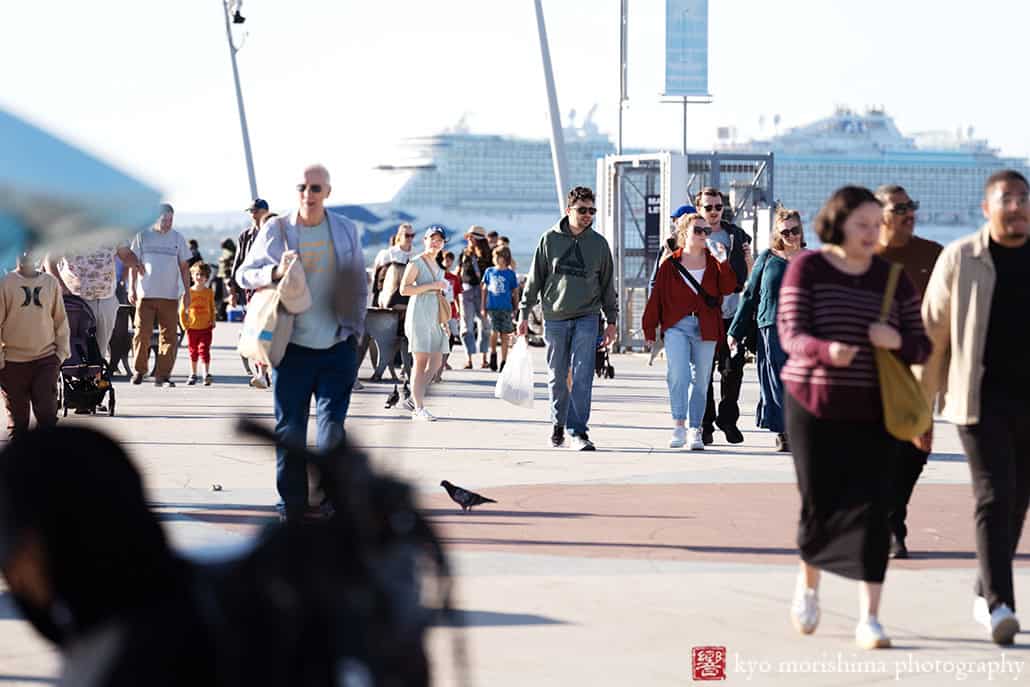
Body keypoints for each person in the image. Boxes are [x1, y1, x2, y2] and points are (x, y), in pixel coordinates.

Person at [778, 186, 930, 650]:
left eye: (876, 224)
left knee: (874, 508)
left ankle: (870, 617)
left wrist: (895, 341)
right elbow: (791, 332)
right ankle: (808, 585)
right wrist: (827, 352)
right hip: (813, 404)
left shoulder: (890, 278)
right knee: (818, 501)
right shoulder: (809, 267)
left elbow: (921, 344)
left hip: (873, 409)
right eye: (862, 224)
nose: (872, 233)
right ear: (838, 223)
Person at [919, 169, 1030, 645]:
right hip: (977, 399)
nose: (1017, 206)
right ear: (987, 208)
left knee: (1018, 501)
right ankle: (999, 604)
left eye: (1024, 198)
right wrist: (919, 409)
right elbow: (931, 335)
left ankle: (985, 585)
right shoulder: (962, 258)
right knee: (992, 495)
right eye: (1007, 198)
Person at [237, 164, 367, 522]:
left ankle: (330, 499)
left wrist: (355, 331)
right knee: (289, 431)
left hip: (337, 347)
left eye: (315, 188)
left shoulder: (343, 229)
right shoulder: (276, 228)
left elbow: (358, 279)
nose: (308, 194)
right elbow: (243, 273)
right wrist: (274, 272)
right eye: (302, 187)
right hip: (291, 349)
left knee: (332, 432)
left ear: (328, 192)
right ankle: (291, 504)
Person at [871, 184, 943, 560]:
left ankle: (893, 515)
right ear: (879, 215)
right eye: (900, 208)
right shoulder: (863, 256)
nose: (909, 213)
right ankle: (889, 523)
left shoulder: (933, 254)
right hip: (872, 370)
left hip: (920, 368)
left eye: (911, 206)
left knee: (916, 449)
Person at [518, 186, 618, 451]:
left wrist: (612, 321)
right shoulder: (549, 239)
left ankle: (578, 432)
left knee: (583, 374)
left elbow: (608, 284)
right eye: (582, 210)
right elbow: (534, 279)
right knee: (558, 375)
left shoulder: (599, 244)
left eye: (592, 211)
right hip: (555, 317)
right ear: (568, 210)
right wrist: (523, 313)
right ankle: (558, 423)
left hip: (588, 315)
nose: (588, 215)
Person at [642, 214, 736, 450]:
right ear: (685, 233)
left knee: (702, 379)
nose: (704, 235)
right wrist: (649, 328)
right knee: (678, 374)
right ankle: (679, 425)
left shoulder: (715, 262)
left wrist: (724, 262)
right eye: (698, 230)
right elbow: (657, 298)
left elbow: (728, 287)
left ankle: (696, 429)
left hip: (706, 326)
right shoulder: (670, 264)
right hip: (677, 326)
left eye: (707, 231)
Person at [727, 207, 806, 452]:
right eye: (785, 232)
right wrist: (735, 331)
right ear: (777, 233)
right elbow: (749, 295)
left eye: (794, 230)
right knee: (776, 380)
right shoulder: (767, 258)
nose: (791, 236)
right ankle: (784, 432)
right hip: (770, 326)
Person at [695, 187, 751, 445]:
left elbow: (747, 272)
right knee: (703, 372)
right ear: (699, 209)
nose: (715, 212)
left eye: (719, 207)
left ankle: (728, 420)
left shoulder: (736, 234)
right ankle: (706, 424)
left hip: (732, 314)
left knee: (733, 370)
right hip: (704, 315)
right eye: (709, 207)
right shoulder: (692, 236)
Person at [0, 251, 69, 439]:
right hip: (13, 362)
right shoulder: (5, 283)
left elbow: (60, 320)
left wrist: (60, 354)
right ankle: (18, 466)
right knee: (18, 422)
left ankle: (47, 463)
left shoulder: (50, 283)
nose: (25, 253)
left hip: (45, 359)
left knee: (47, 414)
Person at [43, 241, 139, 364]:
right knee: (76, 348)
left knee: (100, 350)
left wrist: (138, 263)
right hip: (77, 301)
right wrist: (61, 286)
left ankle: (96, 378)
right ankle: (76, 375)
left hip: (106, 299)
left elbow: (125, 254)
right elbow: (49, 261)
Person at [128, 204, 192, 388]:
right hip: (145, 295)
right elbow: (134, 263)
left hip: (170, 296)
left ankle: (163, 374)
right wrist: (131, 289)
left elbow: (184, 268)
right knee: (142, 333)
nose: (168, 223)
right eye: (164, 220)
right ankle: (139, 371)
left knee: (169, 336)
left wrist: (188, 293)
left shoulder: (177, 238)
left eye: (171, 220)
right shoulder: (142, 236)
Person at [400, 226, 450, 421]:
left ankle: (415, 396)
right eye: (432, 239)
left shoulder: (437, 264)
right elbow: (404, 289)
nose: (435, 242)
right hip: (419, 312)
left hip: (434, 314)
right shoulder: (416, 262)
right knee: (420, 362)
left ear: (443, 243)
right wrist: (432, 285)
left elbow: (439, 292)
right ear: (425, 240)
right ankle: (419, 408)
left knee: (437, 361)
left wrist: (443, 319)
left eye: (439, 240)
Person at [458, 226, 493, 369]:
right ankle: (469, 358)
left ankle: (484, 357)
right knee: (466, 326)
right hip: (466, 290)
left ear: (478, 239)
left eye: (471, 237)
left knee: (485, 325)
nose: (468, 239)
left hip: (483, 290)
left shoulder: (489, 255)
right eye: (468, 237)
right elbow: (459, 271)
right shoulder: (464, 253)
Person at [482, 246, 519, 372]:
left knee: (505, 335)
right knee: (493, 331)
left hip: (506, 308)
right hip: (492, 307)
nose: (498, 259)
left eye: (501, 257)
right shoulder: (489, 271)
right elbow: (484, 290)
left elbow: (515, 291)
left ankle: (504, 360)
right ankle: (493, 353)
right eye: (496, 256)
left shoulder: (510, 273)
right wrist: (483, 307)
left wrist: (516, 306)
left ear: (506, 258)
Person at [179, 262, 216, 386]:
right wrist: (184, 325)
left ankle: (206, 374)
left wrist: (213, 320)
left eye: (203, 275)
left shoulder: (209, 292)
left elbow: (212, 307)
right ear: (192, 276)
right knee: (193, 351)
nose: (200, 277)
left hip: (206, 327)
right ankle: (193, 373)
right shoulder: (188, 292)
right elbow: (182, 310)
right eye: (197, 274)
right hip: (192, 328)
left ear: (207, 277)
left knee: (204, 350)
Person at [230, 198, 270, 307]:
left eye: (255, 211)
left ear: (266, 212)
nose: (253, 214)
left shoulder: (274, 232)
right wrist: (233, 292)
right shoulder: (245, 236)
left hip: (268, 284)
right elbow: (237, 263)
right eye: (251, 211)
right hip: (250, 285)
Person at [648, 203, 697, 290]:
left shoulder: (701, 245)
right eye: (674, 220)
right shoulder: (669, 244)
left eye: (676, 220)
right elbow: (655, 279)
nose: (675, 224)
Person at [437, 250, 462, 377]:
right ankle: (438, 363)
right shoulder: (438, 276)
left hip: (451, 310)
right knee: (439, 336)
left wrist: (459, 310)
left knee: (451, 337)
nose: (447, 262)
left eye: (450, 260)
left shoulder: (454, 278)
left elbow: (457, 295)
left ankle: (444, 360)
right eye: (445, 259)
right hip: (439, 310)